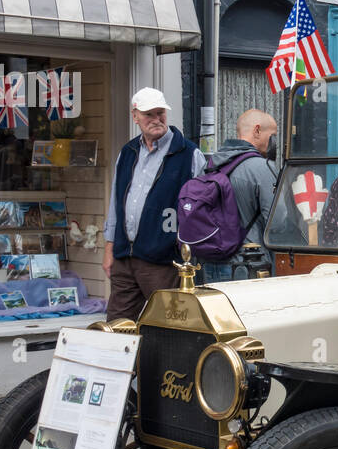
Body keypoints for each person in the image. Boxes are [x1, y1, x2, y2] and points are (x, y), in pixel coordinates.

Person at [102, 87, 206, 321]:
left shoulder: (189, 154)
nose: (156, 119)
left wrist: (184, 249)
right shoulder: (128, 152)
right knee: (117, 326)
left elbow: (201, 210)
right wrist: (109, 250)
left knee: (166, 326)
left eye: (160, 113)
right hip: (124, 257)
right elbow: (115, 203)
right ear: (135, 116)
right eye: (149, 114)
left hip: (164, 261)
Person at [203, 109, 279, 281]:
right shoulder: (262, 168)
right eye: (273, 136)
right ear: (257, 131)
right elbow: (276, 224)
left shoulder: (209, 165)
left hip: (208, 264)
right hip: (249, 265)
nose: (274, 142)